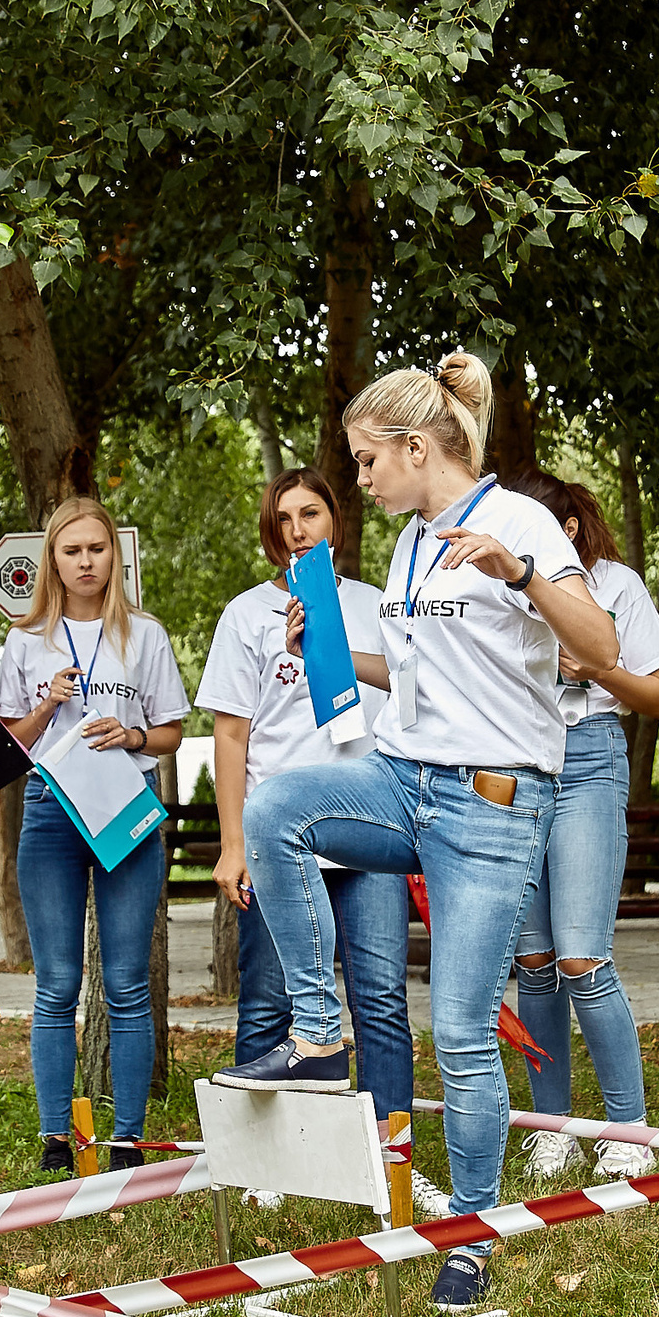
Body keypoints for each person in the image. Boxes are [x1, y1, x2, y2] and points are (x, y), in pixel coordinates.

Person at [239, 353, 618, 1313]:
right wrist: (327, 649)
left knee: (459, 1030)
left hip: (493, 804)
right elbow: (419, 682)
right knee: (275, 809)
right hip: (403, 777)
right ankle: (320, 1037)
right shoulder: (411, 541)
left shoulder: (517, 522)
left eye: (369, 461)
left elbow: (602, 649)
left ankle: (472, 1234)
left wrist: (522, 570)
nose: (358, 480)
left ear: (415, 448)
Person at [201, 469, 438, 1211]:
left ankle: (392, 1156)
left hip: (366, 827)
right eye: (284, 517)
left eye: (312, 512)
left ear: (336, 519)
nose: (299, 527)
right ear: (271, 532)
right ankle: (264, 1168)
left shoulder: (377, 604)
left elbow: (418, 696)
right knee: (272, 1005)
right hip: (279, 844)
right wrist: (233, 842)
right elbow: (232, 735)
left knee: (380, 1001)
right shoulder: (246, 615)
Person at [0, 497, 189, 1173]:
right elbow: (6, 744)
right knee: (56, 983)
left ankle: (127, 1137)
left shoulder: (145, 634)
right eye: (71, 550)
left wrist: (132, 734)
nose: (84, 562)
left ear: (116, 556)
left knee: (127, 982)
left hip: (124, 803)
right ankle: (56, 1136)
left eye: (96, 550)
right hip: (51, 805)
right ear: (50, 557)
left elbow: (171, 730)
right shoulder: (23, 639)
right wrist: (47, 702)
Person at [507, 472, 659, 1183]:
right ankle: (553, 1130)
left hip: (588, 761)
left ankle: (627, 1128)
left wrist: (598, 668)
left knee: (581, 957)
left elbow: (658, 697)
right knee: (534, 963)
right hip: (513, 768)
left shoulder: (614, 585)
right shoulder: (504, 586)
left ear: (568, 530)